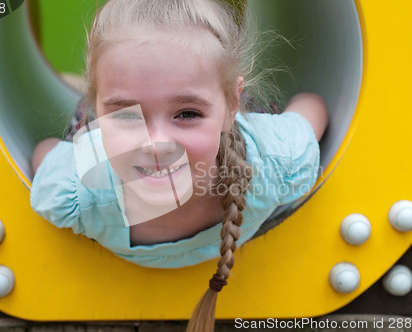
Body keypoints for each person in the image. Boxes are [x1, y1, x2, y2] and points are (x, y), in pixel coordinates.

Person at [30, 0, 328, 330]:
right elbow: (313, 108)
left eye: (187, 113)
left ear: (232, 104)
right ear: (99, 110)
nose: (156, 144)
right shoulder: (83, 186)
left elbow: (44, 154)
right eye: (126, 113)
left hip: (239, 130)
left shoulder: (272, 162)